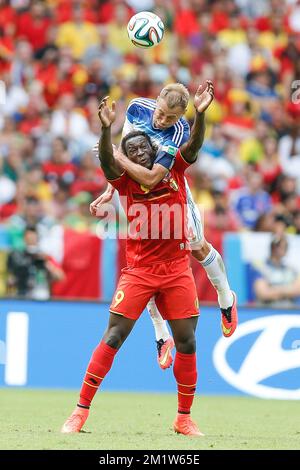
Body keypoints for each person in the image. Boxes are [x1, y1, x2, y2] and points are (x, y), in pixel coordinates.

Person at [61, 80, 214, 437]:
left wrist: (201, 117)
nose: (139, 153)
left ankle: (183, 418)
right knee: (114, 335)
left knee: (189, 341)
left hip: (177, 269)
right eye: (132, 150)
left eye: (142, 148)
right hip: (140, 270)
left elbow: (193, 146)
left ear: (151, 148)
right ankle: (79, 412)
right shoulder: (126, 182)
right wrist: (104, 130)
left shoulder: (171, 167)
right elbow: (105, 160)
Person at [90, 83, 238, 370]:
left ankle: (225, 297)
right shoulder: (136, 108)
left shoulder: (180, 130)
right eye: (161, 113)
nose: (162, 121)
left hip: (169, 187)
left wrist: (199, 115)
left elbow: (154, 176)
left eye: (171, 117)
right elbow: (124, 147)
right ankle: (161, 336)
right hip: (136, 188)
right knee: (145, 260)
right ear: (155, 101)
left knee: (196, 245)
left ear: (181, 115)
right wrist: (110, 188)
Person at [6, 225, 64, 300]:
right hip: (23, 295)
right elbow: (10, 279)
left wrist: (46, 265)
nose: (31, 239)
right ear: (24, 238)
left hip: (42, 294)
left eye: (33, 237)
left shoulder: (44, 256)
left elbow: (60, 277)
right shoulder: (17, 257)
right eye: (29, 237)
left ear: (38, 238)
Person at [253, 234, 300, 307]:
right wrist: (287, 290)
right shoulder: (261, 268)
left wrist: (274, 289)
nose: (283, 249)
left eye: (285, 247)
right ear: (273, 248)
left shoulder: (291, 270)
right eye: (279, 246)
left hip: (289, 310)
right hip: (267, 310)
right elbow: (262, 293)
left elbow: (297, 290)